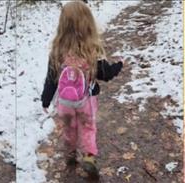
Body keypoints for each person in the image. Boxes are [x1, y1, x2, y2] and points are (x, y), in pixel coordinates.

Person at [41, 1, 123, 179]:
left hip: (64, 102)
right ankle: (88, 158)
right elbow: (106, 74)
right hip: (86, 100)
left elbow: (51, 79)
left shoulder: (57, 50)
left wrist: (45, 100)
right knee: (88, 128)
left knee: (69, 128)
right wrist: (119, 65)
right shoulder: (91, 50)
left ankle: (70, 155)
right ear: (88, 23)